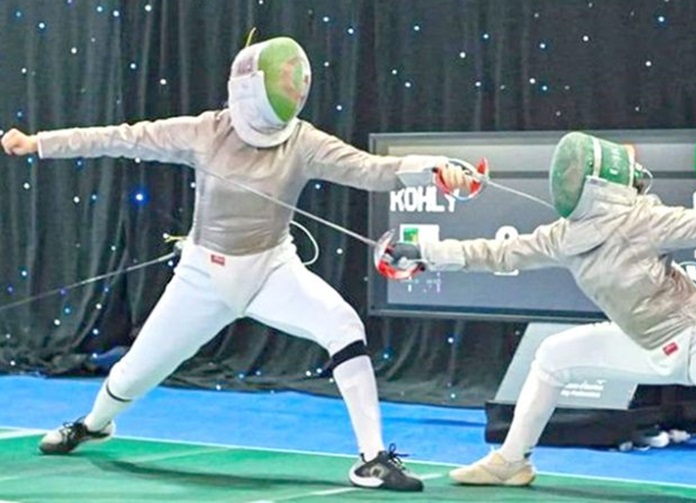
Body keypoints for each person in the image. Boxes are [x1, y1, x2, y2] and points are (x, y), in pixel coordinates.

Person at [1, 35, 472, 492]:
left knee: (343, 324)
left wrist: (432, 167)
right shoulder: (205, 131)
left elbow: (369, 169)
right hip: (203, 277)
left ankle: (372, 459)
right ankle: (92, 425)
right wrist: (38, 143)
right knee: (134, 372)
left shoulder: (302, 142)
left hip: (271, 270)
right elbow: (119, 138)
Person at [386, 132, 696, 496]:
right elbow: (497, 253)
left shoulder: (644, 220)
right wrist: (424, 253)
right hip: (645, 343)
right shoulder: (565, 236)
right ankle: (511, 462)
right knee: (552, 356)